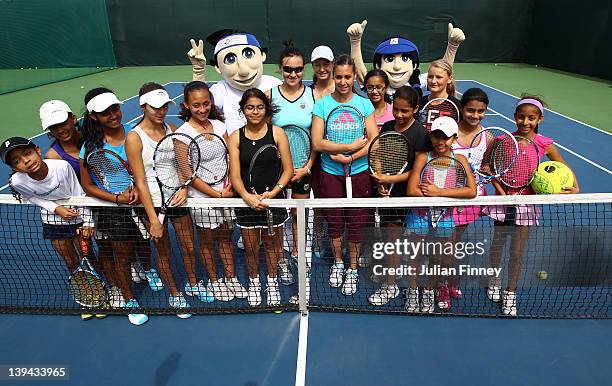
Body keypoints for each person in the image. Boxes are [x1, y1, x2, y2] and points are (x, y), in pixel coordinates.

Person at [485, 96, 579, 316]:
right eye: (521, 116)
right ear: (514, 116)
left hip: (527, 204)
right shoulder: (502, 140)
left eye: (531, 118)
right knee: (497, 245)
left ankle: (510, 293)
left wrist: (575, 187)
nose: (525, 122)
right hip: (502, 200)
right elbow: (488, 167)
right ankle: (494, 278)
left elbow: (563, 167)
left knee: (517, 252)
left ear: (539, 119)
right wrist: (501, 191)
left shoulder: (544, 143)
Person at [125, 82, 207, 319]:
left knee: (189, 247)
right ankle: (174, 293)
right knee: (163, 252)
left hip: (177, 196)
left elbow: (181, 165)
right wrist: (153, 219)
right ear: (143, 106)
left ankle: (192, 283)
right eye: (155, 107)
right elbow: (140, 180)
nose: (161, 111)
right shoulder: (134, 138)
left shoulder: (172, 128)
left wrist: (183, 186)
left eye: (164, 106)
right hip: (152, 201)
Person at [1, 137, 95, 318]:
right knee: (71, 261)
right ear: (14, 168)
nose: (25, 161)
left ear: (37, 150)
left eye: (27, 153)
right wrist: (55, 208)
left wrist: (87, 221)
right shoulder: (18, 181)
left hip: (77, 217)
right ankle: (88, 296)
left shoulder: (62, 167)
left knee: (89, 256)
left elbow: (79, 193)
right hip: (53, 223)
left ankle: (103, 291)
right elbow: (33, 198)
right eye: (17, 161)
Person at [79, 88, 150, 325]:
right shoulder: (90, 147)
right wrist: (117, 199)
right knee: (122, 255)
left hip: (141, 202)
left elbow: (145, 169)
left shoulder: (135, 134)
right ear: (93, 117)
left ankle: (147, 271)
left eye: (115, 109)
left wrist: (138, 189)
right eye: (105, 113)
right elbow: (88, 185)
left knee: (144, 243)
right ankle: (130, 300)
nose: (113, 115)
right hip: (112, 211)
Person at [311, 54, 379, 296]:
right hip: (331, 173)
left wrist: (351, 158)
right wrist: (345, 150)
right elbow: (317, 143)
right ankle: (338, 263)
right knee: (335, 222)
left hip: (359, 172)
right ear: (333, 76)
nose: (342, 81)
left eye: (347, 76)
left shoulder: (364, 104)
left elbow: (374, 142)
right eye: (338, 76)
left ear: (353, 78)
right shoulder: (322, 105)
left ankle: (352, 268)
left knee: (357, 223)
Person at [175, 80, 248, 301]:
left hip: (226, 192)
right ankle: (215, 282)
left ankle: (231, 278)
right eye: (196, 105)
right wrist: (216, 195)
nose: (202, 109)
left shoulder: (220, 126)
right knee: (207, 242)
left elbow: (229, 157)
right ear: (187, 105)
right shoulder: (182, 134)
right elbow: (187, 174)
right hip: (203, 198)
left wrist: (229, 187)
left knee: (225, 237)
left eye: (206, 103)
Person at [228, 88, 293, 307]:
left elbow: (288, 170)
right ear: (243, 110)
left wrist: (274, 193)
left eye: (259, 107)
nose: (255, 112)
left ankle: (271, 282)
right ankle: (255, 282)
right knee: (251, 247)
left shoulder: (277, 134)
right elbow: (235, 175)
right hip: (247, 204)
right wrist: (247, 196)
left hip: (274, 202)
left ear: (266, 109)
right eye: (250, 107)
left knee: (273, 245)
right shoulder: (235, 137)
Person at [406, 117, 477, 313]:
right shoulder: (423, 157)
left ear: (454, 138)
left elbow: (471, 191)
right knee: (416, 255)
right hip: (420, 215)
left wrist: (439, 193)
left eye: (445, 138)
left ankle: (429, 290)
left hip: (446, 219)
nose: (440, 142)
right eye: (437, 136)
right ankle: (413, 291)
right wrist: (434, 196)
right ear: (431, 136)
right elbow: (412, 190)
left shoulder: (460, 160)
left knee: (439, 258)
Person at [368, 86, 431, 305]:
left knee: (399, 243)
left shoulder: (421, 134)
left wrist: (391, 180)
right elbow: (378, 153)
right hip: (386, 193)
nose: (399, 115)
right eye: (396, 110)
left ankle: (391, 284)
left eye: (405, 111)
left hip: (408, 197)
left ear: (416, 108)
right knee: (389, 239)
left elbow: (418, 171)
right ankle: (391, 278)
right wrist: (379, 179)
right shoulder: (387, 126)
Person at [266, 42, 318, 288]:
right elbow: (264, 133)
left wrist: (307, 167)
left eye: (298, 69)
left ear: (304, 69)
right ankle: (280, 261)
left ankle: (298, 255)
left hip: (302, 169)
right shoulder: (270, 96)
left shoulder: (312, 95)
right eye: (288, 69)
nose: (293, 74)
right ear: (280, 68)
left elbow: (316, 138)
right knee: (275, 218)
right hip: (275, 170)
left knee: (299, 215)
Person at [442, 87, 491, 301]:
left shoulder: (488, 137)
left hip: (469, 199)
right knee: (446, 244)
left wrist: (488, 170)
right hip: (445, 197)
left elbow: (487, 165)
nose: (475, 115)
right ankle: (441, 284)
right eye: (471, 110)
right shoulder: (451, 135)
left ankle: (449, 280)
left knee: (454, 243)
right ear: (462, 109)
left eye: (481, 111)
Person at [186, 30, 282, 135]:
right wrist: (199, 72)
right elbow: (198, 100)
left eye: (248, 54)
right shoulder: (221, 89)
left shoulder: (274, 84)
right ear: (218, 68)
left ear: (262, 55)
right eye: (230, 59)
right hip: (234, 147)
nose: (243, 71)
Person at [346, 20, 465, 95]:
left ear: (414, 65)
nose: (397, 66)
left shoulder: (417, 81)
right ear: (378, 65)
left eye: (404, 59)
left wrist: (452, 47)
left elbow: (442, 72)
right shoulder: (376, 84)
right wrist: (355, 42)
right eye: (389, 59)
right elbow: (361, 74)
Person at [40, 100, 83, 179]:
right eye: (53, 127)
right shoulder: (53, 157)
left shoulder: (93, 135)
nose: (60, 131)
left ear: (73, 119)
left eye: (62, 123)